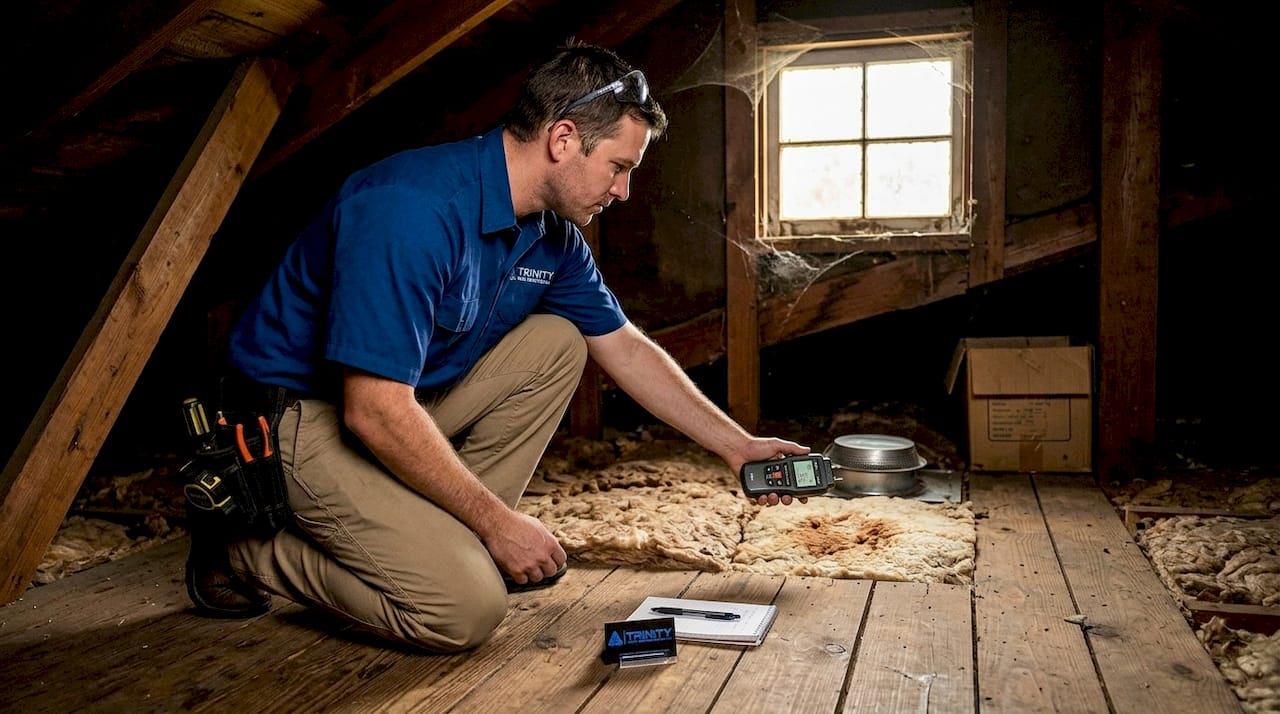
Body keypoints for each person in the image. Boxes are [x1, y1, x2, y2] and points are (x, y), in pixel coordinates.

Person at [184, 41, 811, 653]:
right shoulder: (410, 209)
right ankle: (247, 548)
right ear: (563, 140)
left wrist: (738, 446)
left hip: (404, 404)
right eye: (620, 167)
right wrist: (498, 523)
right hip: (292, 421)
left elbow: (625, 347)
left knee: (560, 341)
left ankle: (441, 541)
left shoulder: (554, 236)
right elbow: (371, 409)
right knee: (463, 610)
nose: (622, 191)